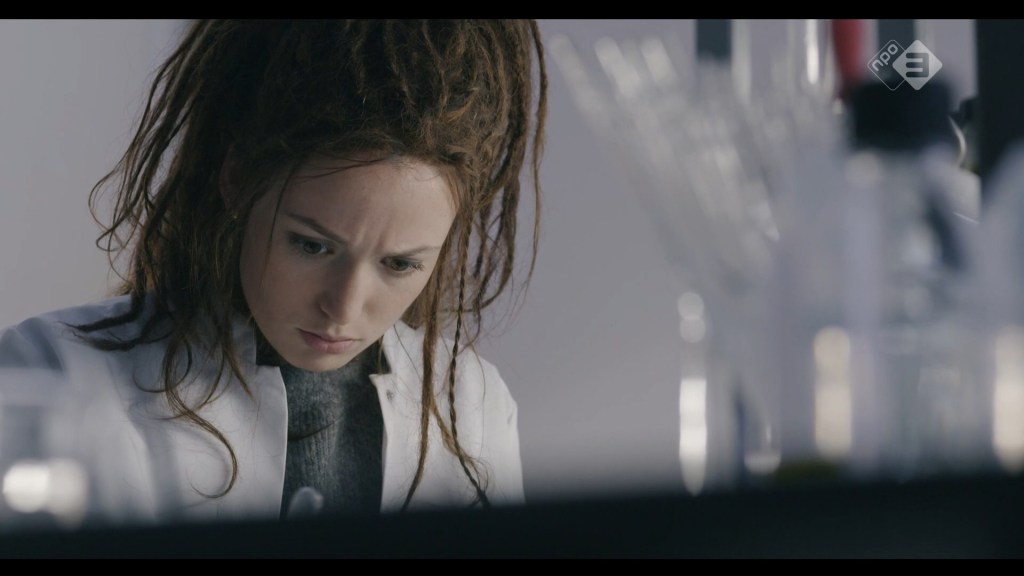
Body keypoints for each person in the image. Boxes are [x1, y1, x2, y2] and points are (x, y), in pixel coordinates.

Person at [0, 19, 547, 526]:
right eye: (312, 245)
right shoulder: (45, 374)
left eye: (400, 264)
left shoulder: (472, 407)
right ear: (237, 180)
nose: (344, 308)